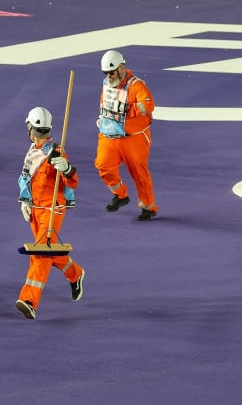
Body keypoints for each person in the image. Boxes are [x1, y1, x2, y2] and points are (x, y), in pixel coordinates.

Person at [15, 107, 84, 321]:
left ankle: (29, 300)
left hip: (52, 210)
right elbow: (26, 177)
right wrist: (24, 202)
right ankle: (75, 273)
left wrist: (67, 168)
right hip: (36, 209)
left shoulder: (56, 153)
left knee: (41, 253)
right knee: (51, 251)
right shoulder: (33, 150)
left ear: (31, 128)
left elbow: (73, 182)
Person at [95, 50, 158, 220]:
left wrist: (128, 111)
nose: (109, 75)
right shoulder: (107, 84)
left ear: (121, 67)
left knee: (139, 172)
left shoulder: (136, 85)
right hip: (109, 135)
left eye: (111, 71)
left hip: (134, 138)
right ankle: (120, 195)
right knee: (103, 166)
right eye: (106, 72)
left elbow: (148, 104)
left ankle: (148, 207)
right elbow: (104, 102)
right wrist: (102, 117)